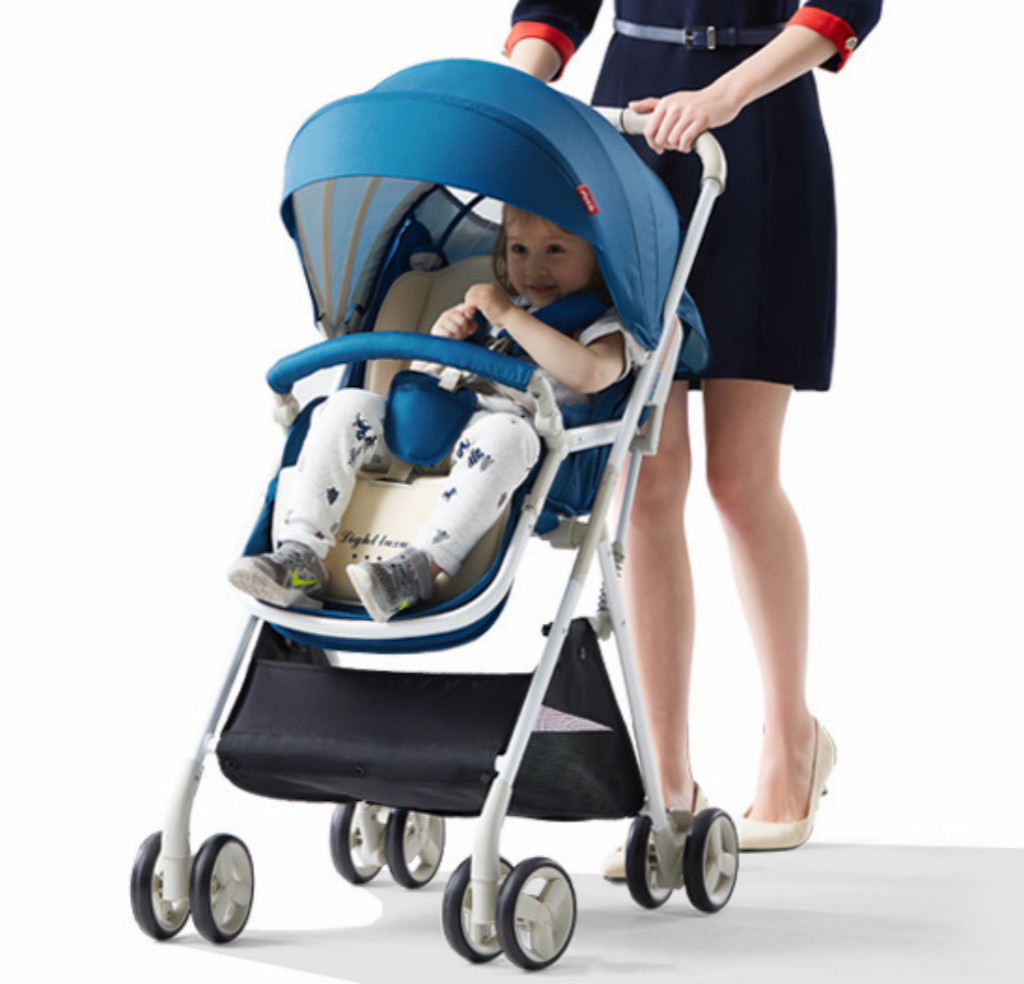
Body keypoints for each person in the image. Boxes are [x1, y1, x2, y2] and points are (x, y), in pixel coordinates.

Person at [505, 1, 882, 859]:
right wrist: (520, 96)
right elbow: (553, 10)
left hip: (760, 125)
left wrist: (725, 96)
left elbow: (847, 5)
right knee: (646, 486)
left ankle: (792, 740)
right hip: (625, 138)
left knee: (741, 480)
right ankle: (666, 782)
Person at [228, 204, 638, 621]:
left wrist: (509, 316)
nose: (534, 267)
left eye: (555, 249)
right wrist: (441, 343)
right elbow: (423, 385)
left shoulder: (603, 326)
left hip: (508, 454)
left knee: (509, 433)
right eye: (518, 249)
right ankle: (300, 554)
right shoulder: (495, 320)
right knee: (345, 404)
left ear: (599, 256)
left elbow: (589, 374)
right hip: (436, 427)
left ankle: (417, 570)